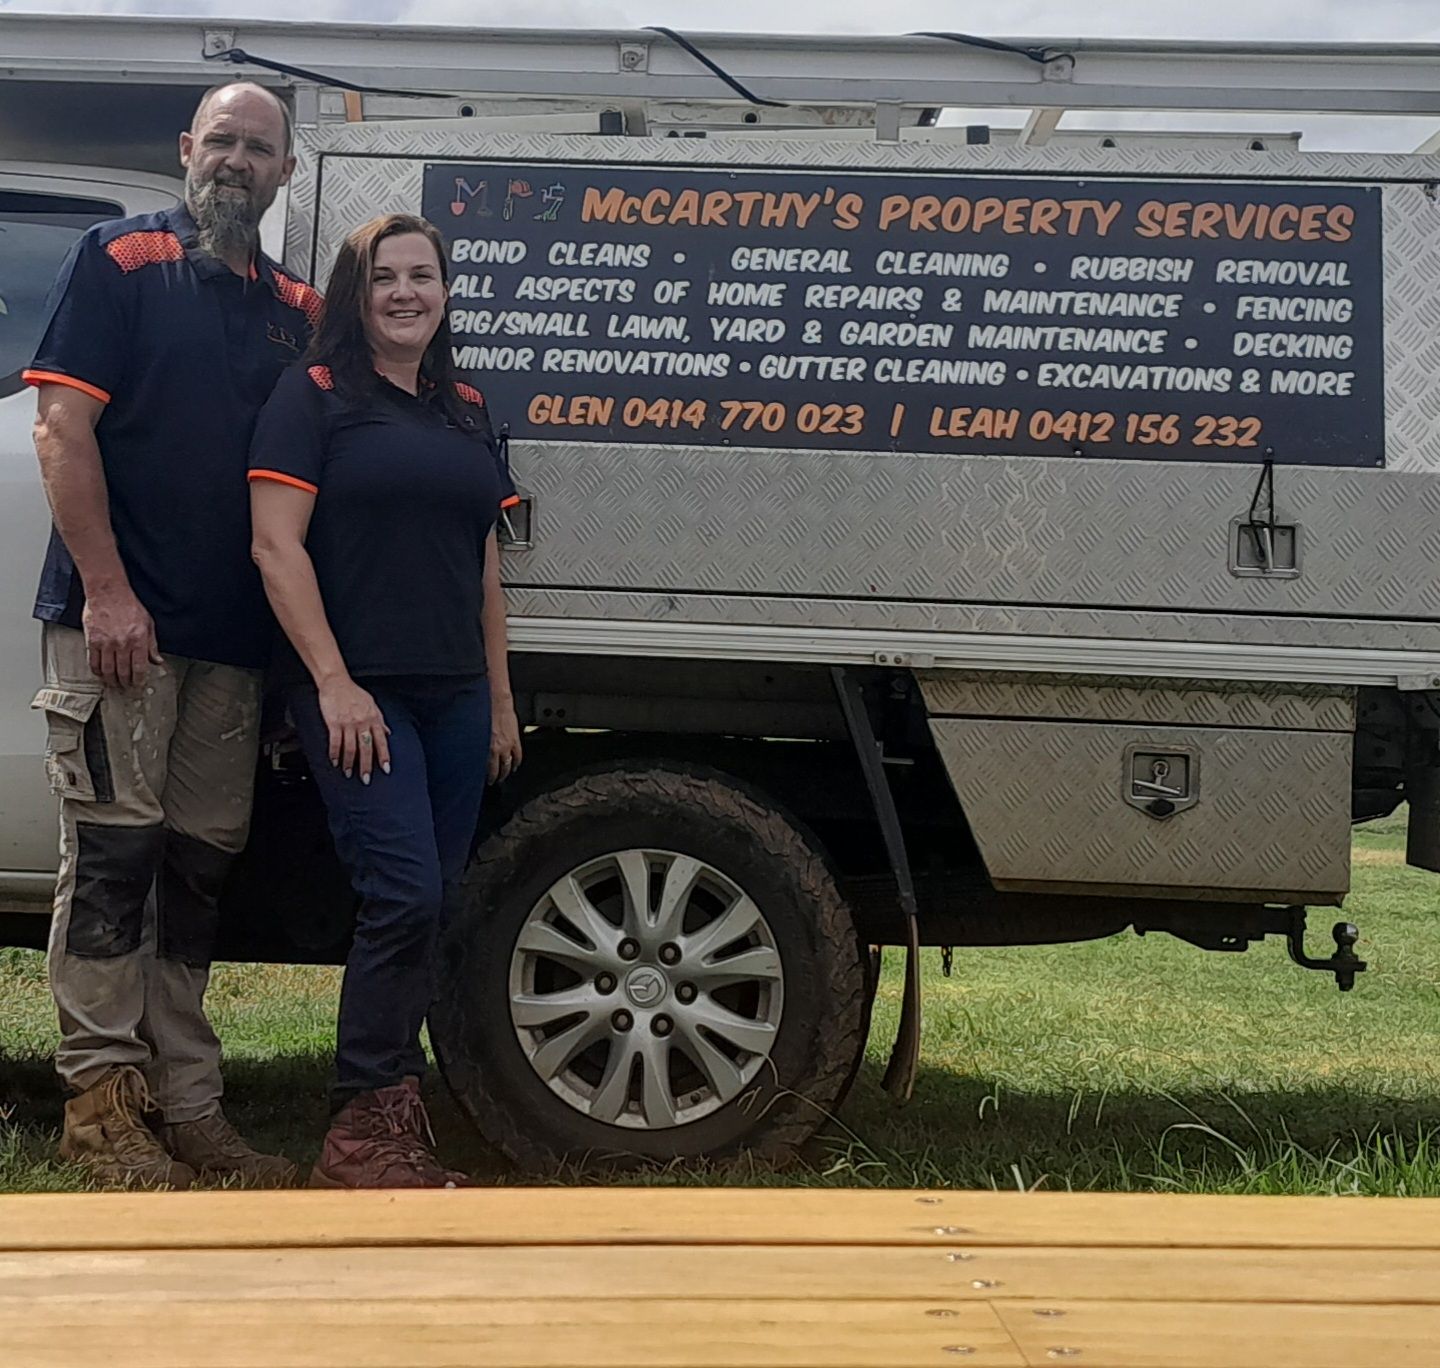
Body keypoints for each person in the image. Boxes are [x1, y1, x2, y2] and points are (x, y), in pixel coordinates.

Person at [23, 81, 318, 1190]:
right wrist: (106, 591)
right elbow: (61, 428)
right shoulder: (119, 260)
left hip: (231, 645)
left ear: (288, 173)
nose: (237, 161)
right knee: (111, 861)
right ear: (188, 149)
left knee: (195, 873)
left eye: (260, 148)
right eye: (223, 141)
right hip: (124, 633)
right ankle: (100, 1110)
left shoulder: (293, 306)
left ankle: (190, 1109)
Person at [248, 213, 523, 1188]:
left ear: (445, 292)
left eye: (423, 276)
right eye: (383, 278)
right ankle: (358, 1135)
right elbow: (275, 547)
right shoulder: (313, 396)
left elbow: (485, 561)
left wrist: (497, 699)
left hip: (453, 700)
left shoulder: (463, 405)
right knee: (401, 893)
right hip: (359, 700)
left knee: (434, 902)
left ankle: (394, 1122)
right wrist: (332, 684)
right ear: (353, 296)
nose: (406, 293)